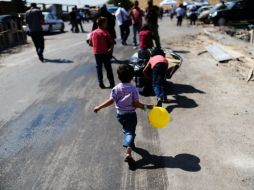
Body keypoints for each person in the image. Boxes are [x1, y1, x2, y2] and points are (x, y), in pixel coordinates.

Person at [94, 64, 154, 165]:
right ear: (132, 77)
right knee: (130, 132)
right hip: (130, 115)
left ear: (118, 76)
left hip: (120, 115)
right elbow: (136, 104)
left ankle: (128, 139)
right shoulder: (133, 89)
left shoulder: (116, 88)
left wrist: (99, 107)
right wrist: (147, 107)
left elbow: (111, 101)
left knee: (127, 130)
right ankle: (128, 153)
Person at [89, 17, 115, 89]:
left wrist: (97, 46)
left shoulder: (93, 33)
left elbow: (90, 44)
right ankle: (112, 83)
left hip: (96, 53)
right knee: (108, 68)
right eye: (106, 23)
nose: (106, 24)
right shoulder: (105, 32)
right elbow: (112, 43)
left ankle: (101, 83)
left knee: (99, 68)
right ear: (102, 24)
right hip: (105, 53)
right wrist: (110, 49)